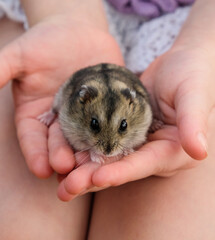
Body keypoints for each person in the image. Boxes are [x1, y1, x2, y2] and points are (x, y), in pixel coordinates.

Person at [0, 0, 215, 239]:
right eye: (95, 125)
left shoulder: (137, 106)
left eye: (122, 127)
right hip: (61, 10)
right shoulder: (77, 105)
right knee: (20, 228)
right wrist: (61, 16)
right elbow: (70, 124)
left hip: (193, 25)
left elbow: (142, 114)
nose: (109, 146)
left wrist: (204, 45)